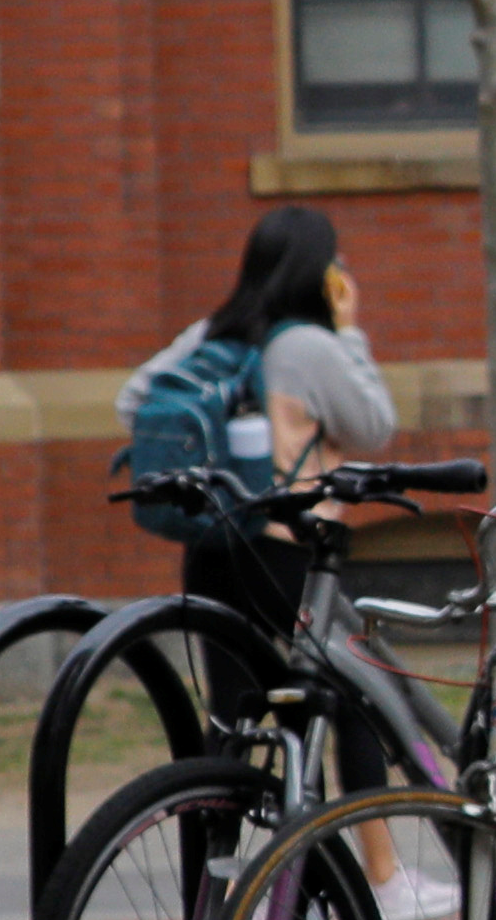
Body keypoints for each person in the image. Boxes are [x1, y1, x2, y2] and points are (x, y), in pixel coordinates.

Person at [117, 204, 404, 646]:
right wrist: (348, 331)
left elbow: (133, 400)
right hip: (285, 547)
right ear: (322, 274)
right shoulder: (310, 346)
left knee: (236, 708)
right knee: (359, 698)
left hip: (212, 546)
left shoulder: (212, 333)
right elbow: (374, 427)